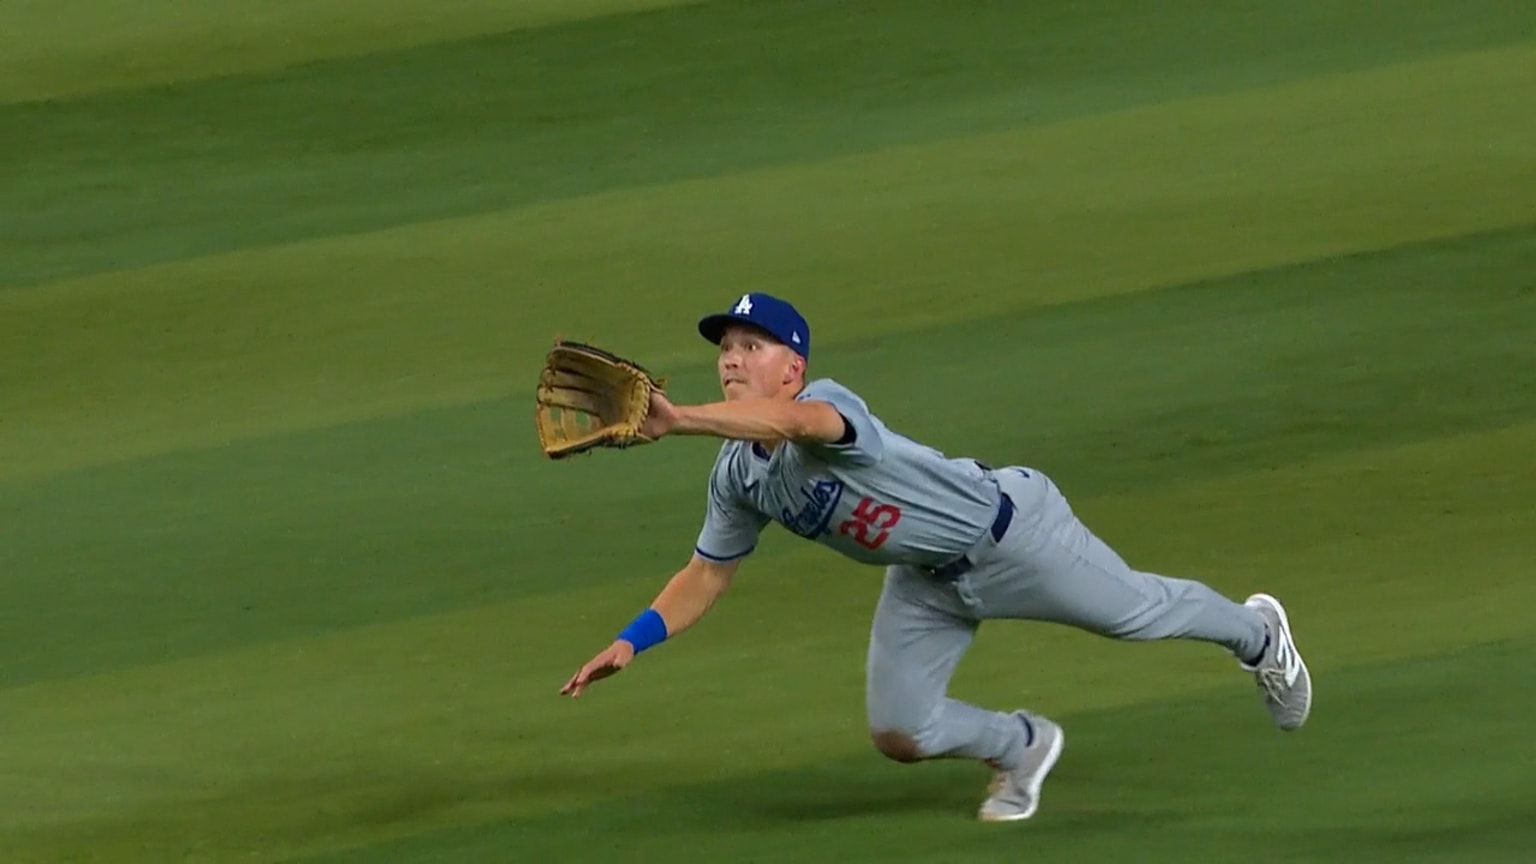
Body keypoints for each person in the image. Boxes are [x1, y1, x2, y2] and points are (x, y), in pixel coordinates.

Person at [559, 292, 1312, 822]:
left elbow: (792, 423)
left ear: (793, 365)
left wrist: (680, 418)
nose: (732, 360)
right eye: (725, 350)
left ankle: (1258, 635)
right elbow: (706, 574)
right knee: (899, 731)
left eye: (751, 348)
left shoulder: (827, 403)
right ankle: (1022, 747)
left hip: (1011, 536)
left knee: (1137, 616)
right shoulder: (738, 478)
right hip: (925, 581)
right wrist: (633, 640)